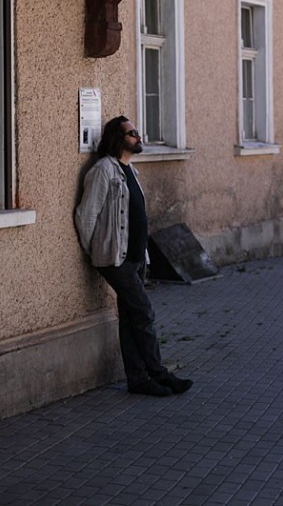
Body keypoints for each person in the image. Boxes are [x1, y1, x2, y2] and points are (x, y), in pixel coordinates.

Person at [74, 116, 192, 397]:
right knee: (144, 312)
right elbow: (86, 215)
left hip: (137, 258)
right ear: (118, 138)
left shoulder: (130, 171)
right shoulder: (103, 170)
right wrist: (97, 250)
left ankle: (137, 379)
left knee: (129, 318)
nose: (138, 137)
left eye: (137, 132)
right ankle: (159, 373)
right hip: (116, 259)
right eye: (132, 133)